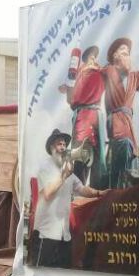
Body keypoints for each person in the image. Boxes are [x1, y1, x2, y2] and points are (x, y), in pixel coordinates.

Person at [31, 129, 105, 268]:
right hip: (45, 233)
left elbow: (82, 189)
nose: (63, 147)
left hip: (64, 235)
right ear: (52, 148)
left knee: (64, 272)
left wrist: (99, 193)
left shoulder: (68, 171)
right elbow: (48, 193)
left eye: (65, 144)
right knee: (41, 273)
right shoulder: (45, 168)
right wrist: (64, 175)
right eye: (59, 144)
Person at [102, 38, 139, 188]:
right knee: (122, 148)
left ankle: (127, 191)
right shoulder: (108, 71)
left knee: (131, 158)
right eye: (124, 53)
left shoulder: (134, 77)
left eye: (128, 53)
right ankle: (118, 191)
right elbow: (91, 75)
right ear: (115, 57)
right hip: (117, 122)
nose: (128, 56)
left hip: (128, 126)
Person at [58, 46, 106, 187]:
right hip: (84, 119)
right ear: (85, 60)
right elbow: (70, 98)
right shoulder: (81, 72)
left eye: (95, 57)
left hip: (95, 119)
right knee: (82, 157)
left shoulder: (99, 72)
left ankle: (95, 193)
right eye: (91, 57)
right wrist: (68, 86)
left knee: (97, 159)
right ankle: (78, 193)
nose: (94, 60)